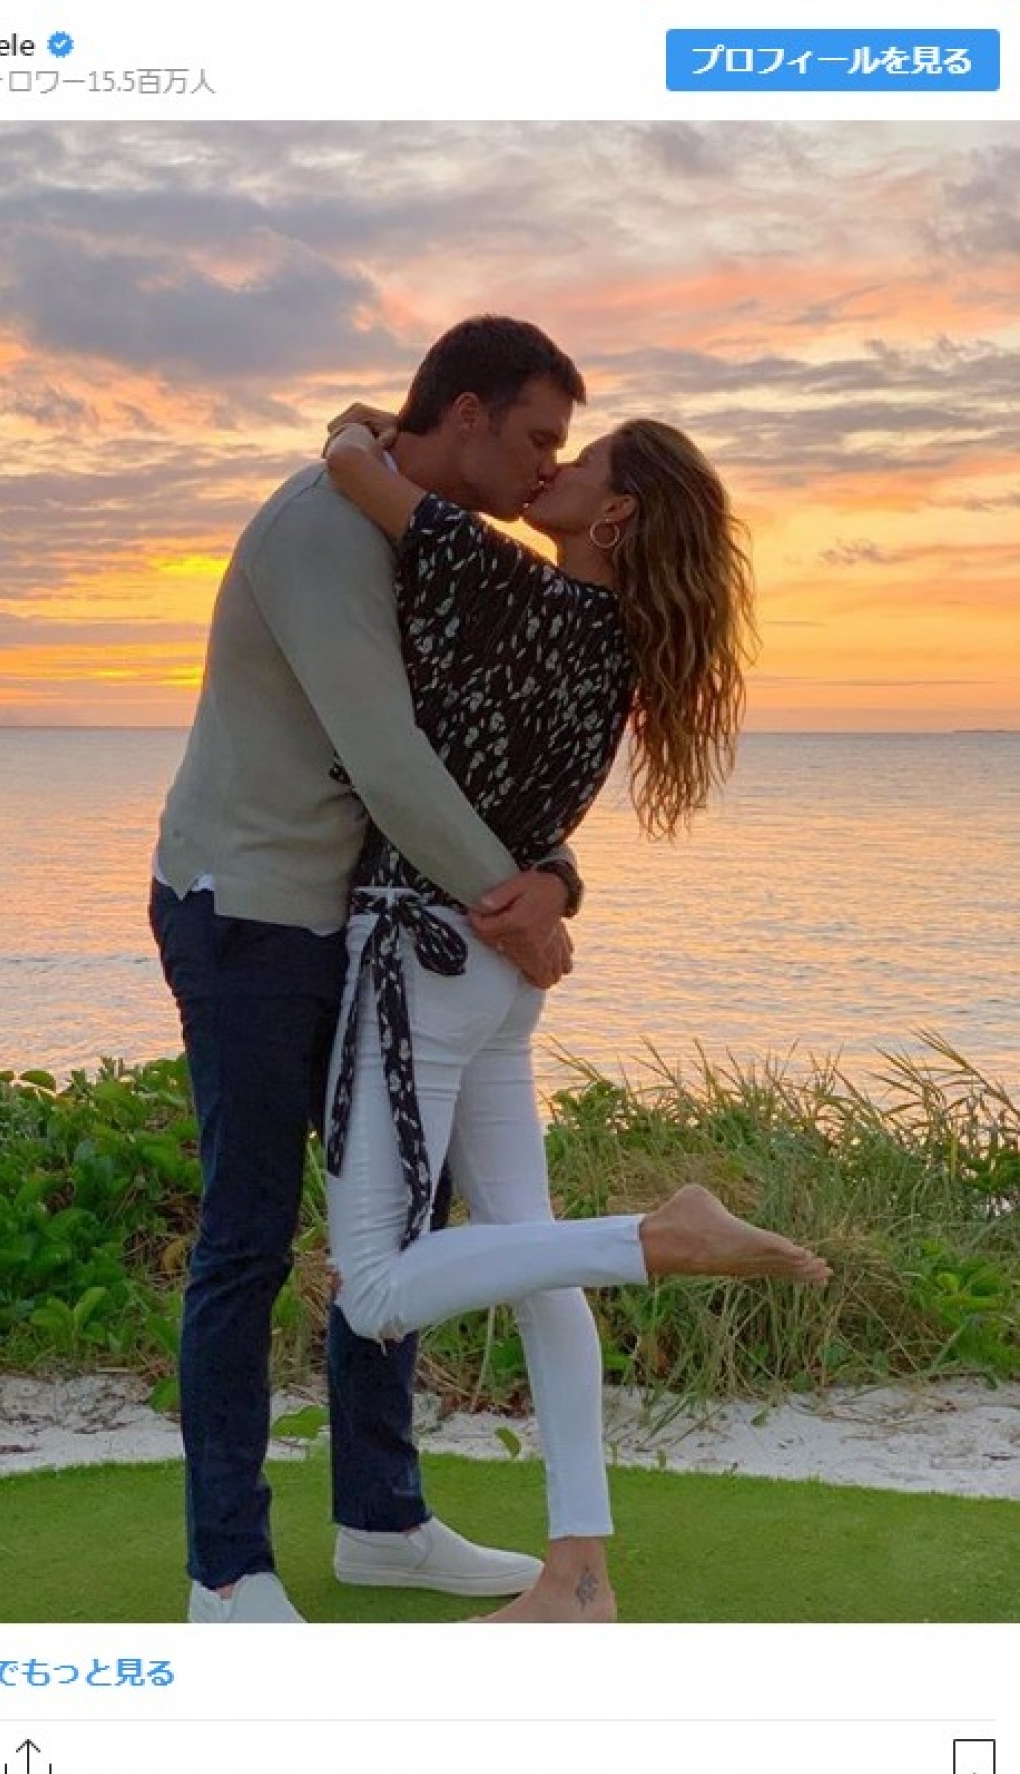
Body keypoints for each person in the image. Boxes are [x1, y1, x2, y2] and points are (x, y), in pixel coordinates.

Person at [322, 413, 832, 1622]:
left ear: (616, 512)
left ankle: (654, 1237)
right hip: (496, 977)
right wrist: (559, 878)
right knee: (537, 1266)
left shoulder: (515, 586)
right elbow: (532, 822)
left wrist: (371, 429)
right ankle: (579, 1571)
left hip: (419, 959)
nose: (553, 464)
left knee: (375, 1288)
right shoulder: (615, 645)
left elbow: (349, 467)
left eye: (583, 457)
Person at [150, 317, 593, 1623]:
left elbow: (486, 753)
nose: (545, 467)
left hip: (358, 927)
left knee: (394, 1228)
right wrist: (516, 914)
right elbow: (392, 758)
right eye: (535, 437)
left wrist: (553, 873)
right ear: (465, 414)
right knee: (246, 1235)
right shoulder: (321, 531)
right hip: (246, 910)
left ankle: (382, 1522)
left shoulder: (429, 542)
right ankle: (226, 1572)